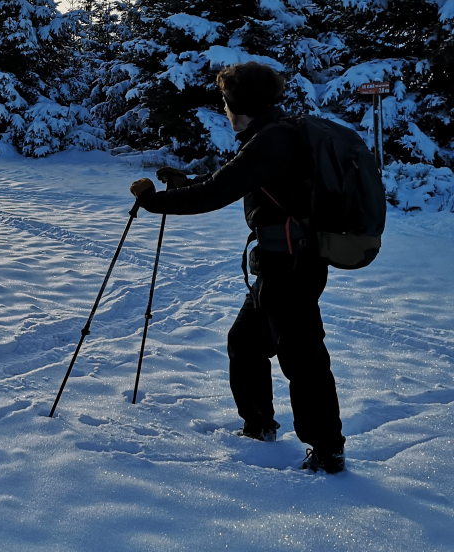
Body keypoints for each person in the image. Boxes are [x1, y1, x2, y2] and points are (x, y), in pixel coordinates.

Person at [129, 62, 346, 474]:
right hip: (283, 263)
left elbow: (217, 192)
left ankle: (327, 452)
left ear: (234, 103)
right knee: (245, 342)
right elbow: (235, 178)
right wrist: (182, 182)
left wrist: (156, 202)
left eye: (225, 101)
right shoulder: (274, 134)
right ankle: (259, 426)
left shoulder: (271, 140)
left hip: (291, 266)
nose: (224, 109)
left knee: (302, 358)